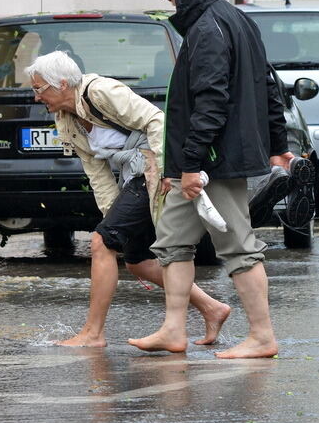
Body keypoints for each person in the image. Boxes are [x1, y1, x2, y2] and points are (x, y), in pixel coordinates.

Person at [129, 0, 294, 359]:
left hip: (214, 163)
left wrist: (191, 166)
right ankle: (173, 329)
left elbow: (211, 103)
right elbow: (269, 87)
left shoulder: (207, 29)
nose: (169, 0)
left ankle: (262, 336)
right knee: (172, 241)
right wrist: (278, 146)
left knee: (237, 245)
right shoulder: (237, 20)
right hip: (208, 161)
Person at [25, 51, 232, 349]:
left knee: (101, 242)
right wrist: (113, 220)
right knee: (138, 261)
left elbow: (156, 120)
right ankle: (212, 308)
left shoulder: (100, 91)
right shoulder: (65, 118)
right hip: (133, 178)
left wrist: (166, 171)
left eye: (38, 88)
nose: (36, 97)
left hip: (153, 168)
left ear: (61, 84)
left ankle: (93, 334)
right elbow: (96, 172)